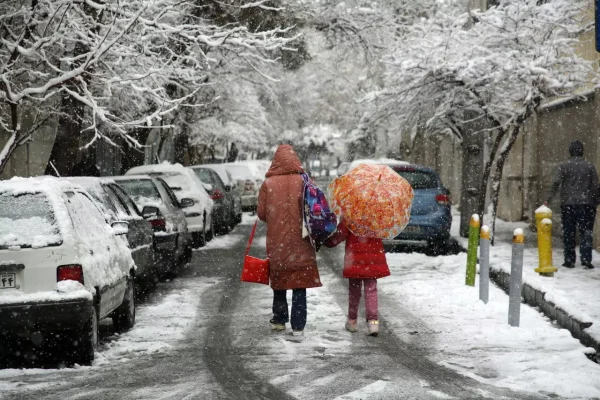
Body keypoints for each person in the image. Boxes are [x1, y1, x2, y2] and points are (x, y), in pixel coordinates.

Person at [257, 144, 322, 336]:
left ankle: (279, 319)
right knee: (299, 281)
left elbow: (261, 214)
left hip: (278, 241)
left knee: (280, 278)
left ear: (275, 161)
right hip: (302, 240)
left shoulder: (268, 184)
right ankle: (298, 325)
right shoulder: (304, 181)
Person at [324, 219, 390, 336]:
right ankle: (373, 322)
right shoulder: (377, 214)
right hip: (372, 258)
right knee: (371, 290)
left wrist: (327, 242)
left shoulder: (350, 215)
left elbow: (340, 235)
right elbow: (385, 233)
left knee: (354, 291)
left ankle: (352, 321)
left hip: (354, 258)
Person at [547, 140, 600, 269]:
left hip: (568, 204)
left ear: (570, 151)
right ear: (582, 151)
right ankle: (586, 259)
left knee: (569, 232)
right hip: (586, 205)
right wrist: (595, 201)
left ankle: (569, 260)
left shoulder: (564, 166)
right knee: (586, 232)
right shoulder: (590, 166)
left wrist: (548, 198)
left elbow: (556, 183)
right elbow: (596, 186)